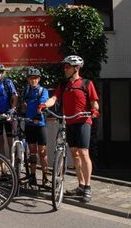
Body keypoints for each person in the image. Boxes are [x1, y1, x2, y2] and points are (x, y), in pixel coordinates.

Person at [38, 55, 99, 203]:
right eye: (64, 66)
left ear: (76, 68)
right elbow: (54, 99)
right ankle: (81, 185)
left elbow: (94, 102)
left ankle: (88, 187)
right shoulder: (64, 85)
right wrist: (45, 104)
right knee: (74, 154)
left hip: (83, 121)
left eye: (67, 67)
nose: (64, 69)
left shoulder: (86, 83)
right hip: (69, 122)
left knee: (84, 153)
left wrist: (94, 110)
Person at [20, 68, 49, 186]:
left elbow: (42, 104)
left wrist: (38, 115)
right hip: (29, 124)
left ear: (39, 79)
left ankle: (45, 177)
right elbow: (23, 106)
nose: (34, 81)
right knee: (32, 152)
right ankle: (32, 176)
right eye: (31, 78)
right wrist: (21, 112)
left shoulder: (43, 91)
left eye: (36, 78)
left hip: (40, 125)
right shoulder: (26, 91)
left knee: (42, 152)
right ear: (28, 79)